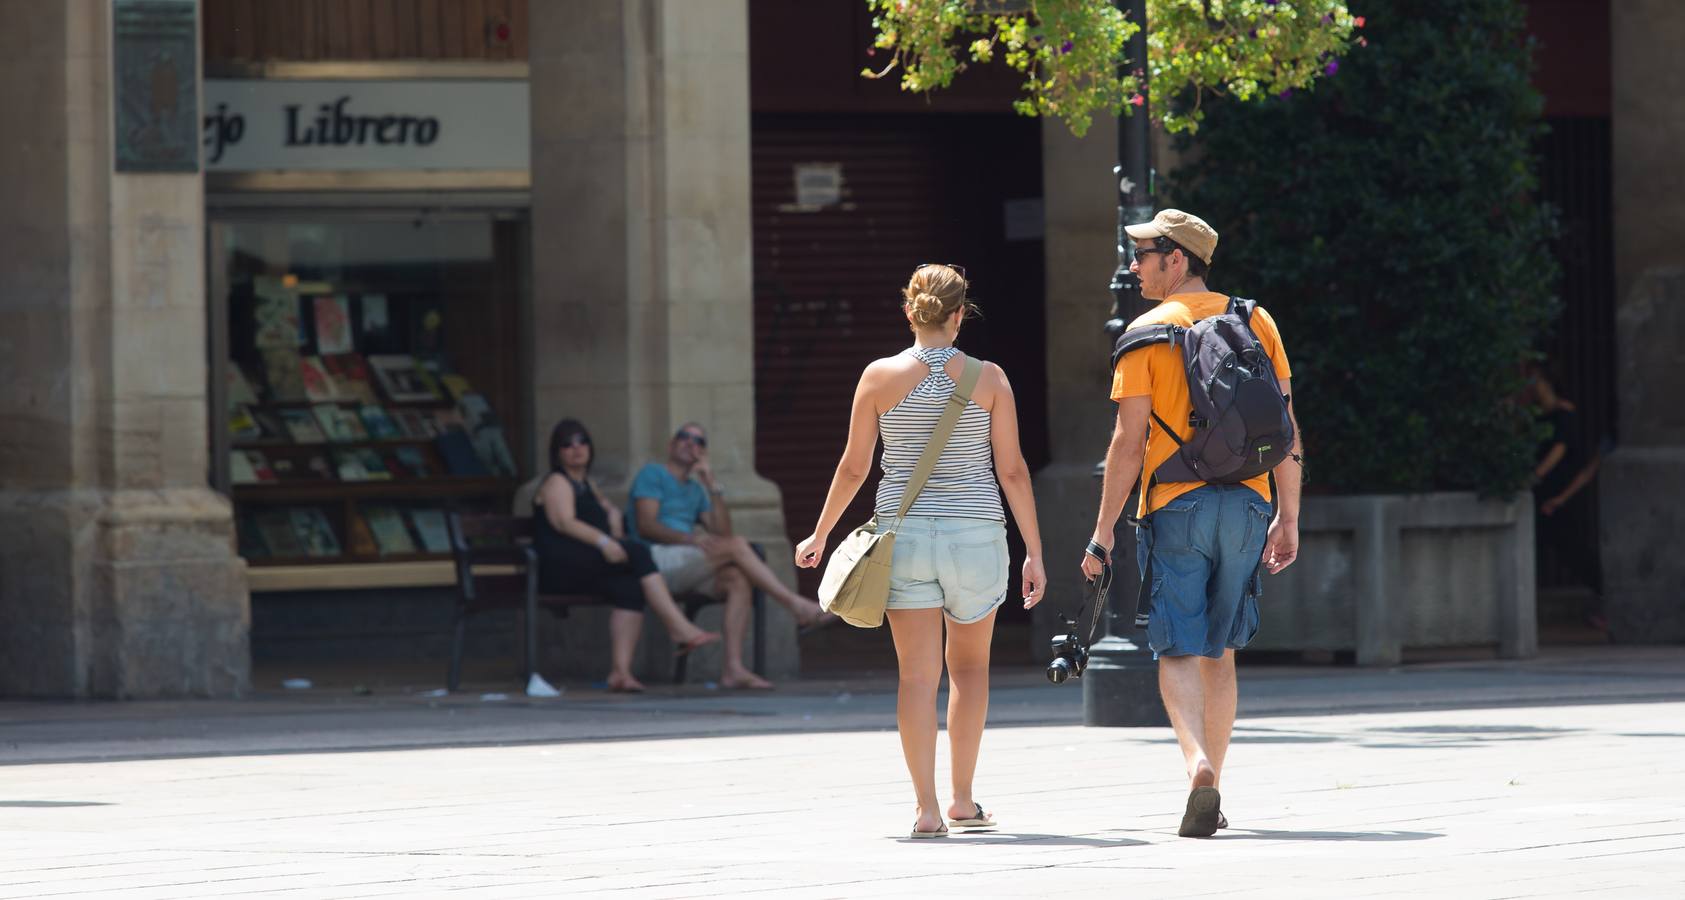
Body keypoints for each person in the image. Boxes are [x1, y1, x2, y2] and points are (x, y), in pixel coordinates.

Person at [796, 263, 1046, 839]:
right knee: (971, 668)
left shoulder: (879, 377)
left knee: (916, 677)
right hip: (977, 537)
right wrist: (1033, 548)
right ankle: (963, 799)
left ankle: (926, 809)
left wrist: (820, 533)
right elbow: (1011, 470)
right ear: (960, 316)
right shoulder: (990, 380)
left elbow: (856, 466)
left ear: (910, 312)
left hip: (903, 537)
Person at [1083, 210, 1302, 838]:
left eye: (1145, 254)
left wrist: (1102, 532)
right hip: (1248, 502)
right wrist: (1288, 515)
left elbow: (1128, 443)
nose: (1134, 265)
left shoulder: (1145, 332)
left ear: (1177, 258)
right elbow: (1286, 428)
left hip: (1176, 504)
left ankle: (1196, 763)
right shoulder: (1256, 320)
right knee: (1222, 649)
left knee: (1176, 646)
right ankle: (1218, 783)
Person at [628, 423, 837, 690]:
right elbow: (647, 524)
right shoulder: (653, 474)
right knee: (737, 546)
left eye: (698, 441)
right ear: (671, 445)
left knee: (737, 579)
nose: (690, 443)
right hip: (654, 561)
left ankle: (733, 669)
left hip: (688, 562)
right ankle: (795, 605)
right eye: (684, 437)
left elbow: (722, 532)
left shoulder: (695, 490)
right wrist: (691, 539)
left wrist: (712, 486)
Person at [532, 418, 720, 693]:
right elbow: (564, 522)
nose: (576, 448)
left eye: (582, 441)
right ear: (557, 451)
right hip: (559, 568)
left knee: (630, 588)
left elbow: (607, 513)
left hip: (586, 566)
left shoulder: (587, 485)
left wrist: (612, 518)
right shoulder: (557, 482)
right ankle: (678, 627)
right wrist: (605, 541)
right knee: (638, 550)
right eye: (567, 444)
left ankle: (620, 673)